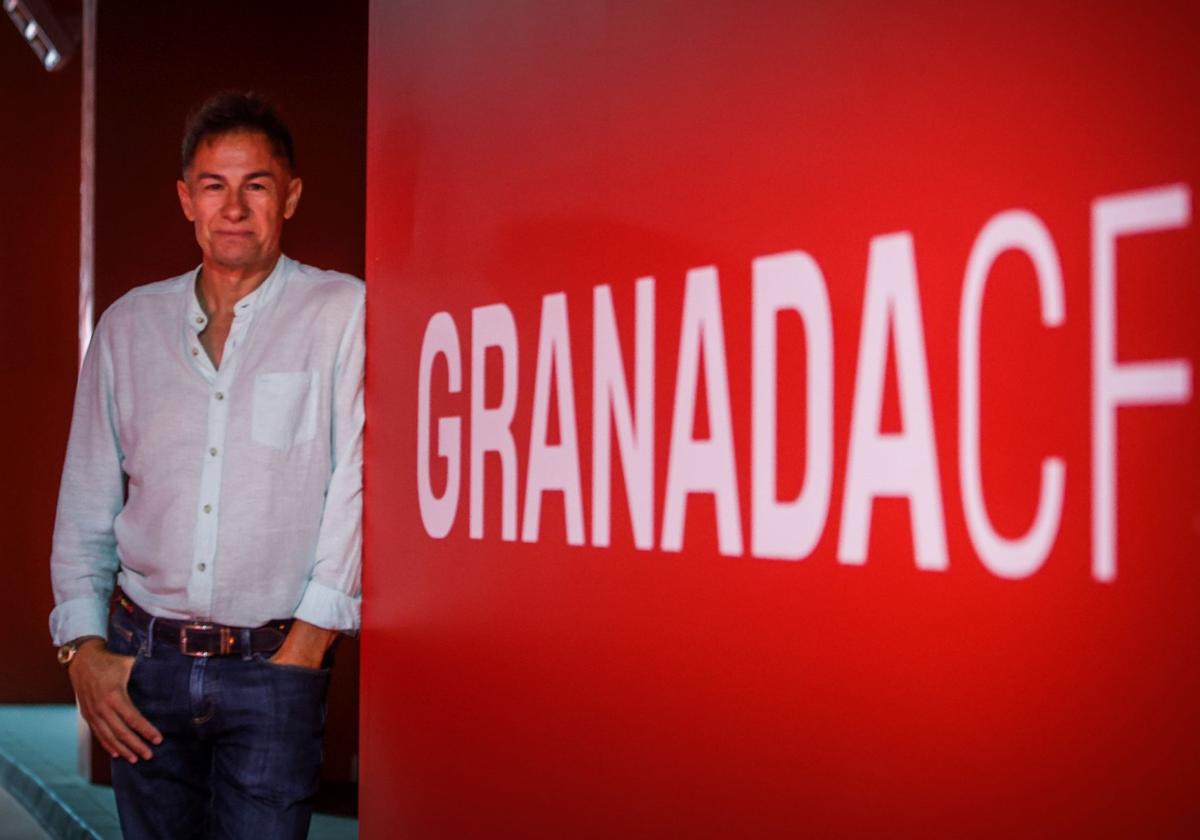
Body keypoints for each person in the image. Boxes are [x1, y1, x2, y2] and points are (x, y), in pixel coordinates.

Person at [48, 91, 364, 839]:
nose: (234, 206)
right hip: (140, 667)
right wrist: (84, 648)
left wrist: (308, 645)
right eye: (215, 186)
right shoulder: (128, 326)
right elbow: (85, 499)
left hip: (273, 667)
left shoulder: (342, 313)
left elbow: (355, 483)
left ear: (289, 195)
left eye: (255, 184)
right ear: (187, 198)